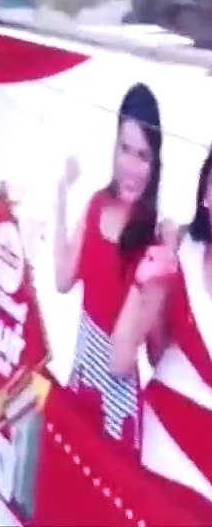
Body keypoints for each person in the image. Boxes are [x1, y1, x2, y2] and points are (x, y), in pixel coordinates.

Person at [52, 82, 164, 454]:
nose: (131, 166)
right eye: (125, 149)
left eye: (143, 155)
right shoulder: (96, 203)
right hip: (81, 372)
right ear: (114, 146)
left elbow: (126, 357)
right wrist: (61, 199)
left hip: (116, 395)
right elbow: (63, 280)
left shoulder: (153, 237)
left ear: (155, 163)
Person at [111, 143, 212, 507]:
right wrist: (146, 284)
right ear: (206, 193)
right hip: (159, 444)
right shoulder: (178, 250)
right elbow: (123, 359)